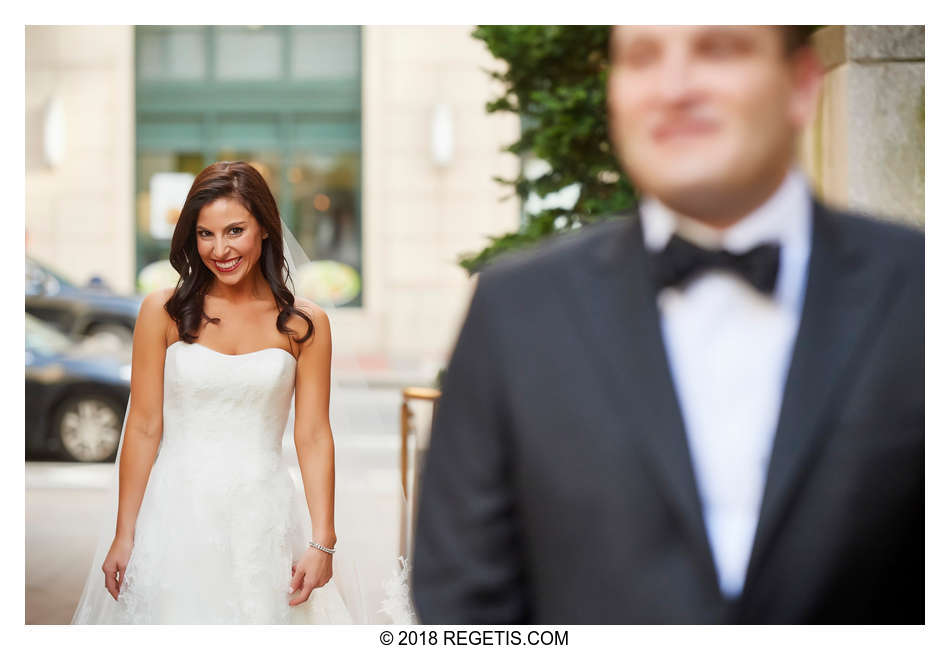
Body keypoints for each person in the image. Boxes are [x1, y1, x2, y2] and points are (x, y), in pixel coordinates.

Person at [411, 26, 923, 623]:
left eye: (719, 49)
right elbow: (462, 608)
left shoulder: (921, 292)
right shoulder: (514, 311)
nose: (673, 88)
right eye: (642, 57)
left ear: (802, 84)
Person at [71, 161, 415, 624]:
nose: (220, 249)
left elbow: (313, 435)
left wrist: (322, 541)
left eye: (235, 230)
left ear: (266, 230)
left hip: (262, 519)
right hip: (174, 516)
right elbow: (144, 427)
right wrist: (124, 532)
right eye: (205, 234)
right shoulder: (162, 312)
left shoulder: (304, 324)